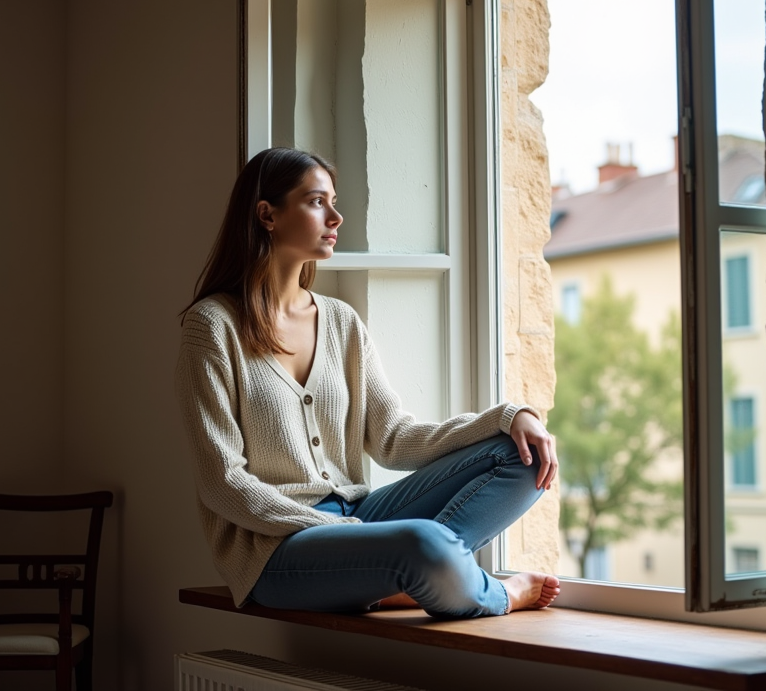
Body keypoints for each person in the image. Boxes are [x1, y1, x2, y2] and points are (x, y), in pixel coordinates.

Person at [175, 147, 561, 617]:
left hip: (361, 519)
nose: (336, 217)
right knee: (424, 540)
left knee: (519, 454)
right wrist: (333, 530)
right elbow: (223, 482)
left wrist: (509, 416)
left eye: (333, 202)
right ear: (267, 215)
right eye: (317, 201)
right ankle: (492, 592)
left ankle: (414, 575)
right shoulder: (212, 325)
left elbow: (395, 439)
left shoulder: (340, 322)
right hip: (275, 551)